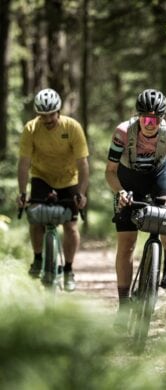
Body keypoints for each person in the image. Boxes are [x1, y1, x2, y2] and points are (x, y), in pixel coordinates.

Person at [105, 88, 166, 327]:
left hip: (159, 174)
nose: (150, 124)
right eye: (145, 118)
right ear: (138, 116)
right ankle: (124, 305)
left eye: (155, 119)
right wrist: (120, 193)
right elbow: (110, 172)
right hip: (128, 178)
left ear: (162, 118)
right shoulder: (122, 133)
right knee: (126, 243)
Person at [17, 88, 89, 292]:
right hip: (41, 177)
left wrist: (81, 193)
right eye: (43, 115)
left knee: (71, 226)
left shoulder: (72, 127)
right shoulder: (31, 129)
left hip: (68, 179)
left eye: (51, 114)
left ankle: (68, 269)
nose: (47, 119)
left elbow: (83, 163)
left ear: (58, 111)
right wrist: (23, 193)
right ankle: (38, 258)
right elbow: (23, 164)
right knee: (35, 216)